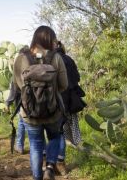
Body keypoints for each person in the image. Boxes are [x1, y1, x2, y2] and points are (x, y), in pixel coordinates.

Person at [11, 25, 68, 180]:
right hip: (53, 111)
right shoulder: (56, 57)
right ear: (50, 40)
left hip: (30, 113)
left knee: (36, 144)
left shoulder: (21, 58)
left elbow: (16, 85)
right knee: (55, 137)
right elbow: (64, 84)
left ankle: (37, 177)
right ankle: (50, 166)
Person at [55, 41, 85, 176]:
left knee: (58, 130)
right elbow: (77, 77)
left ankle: (59, 160)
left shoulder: (52, 60)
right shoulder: (69, 59)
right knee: (73, 125)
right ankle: (79, 149)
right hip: (72, 98)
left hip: (58, 100)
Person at [5, 80, 26, 154]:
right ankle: (43, 149)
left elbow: (13, 93)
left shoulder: (17, 73)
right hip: (38, 105)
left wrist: (7, 104)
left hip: (23, 105)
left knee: (22, 123)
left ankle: (19, 146)